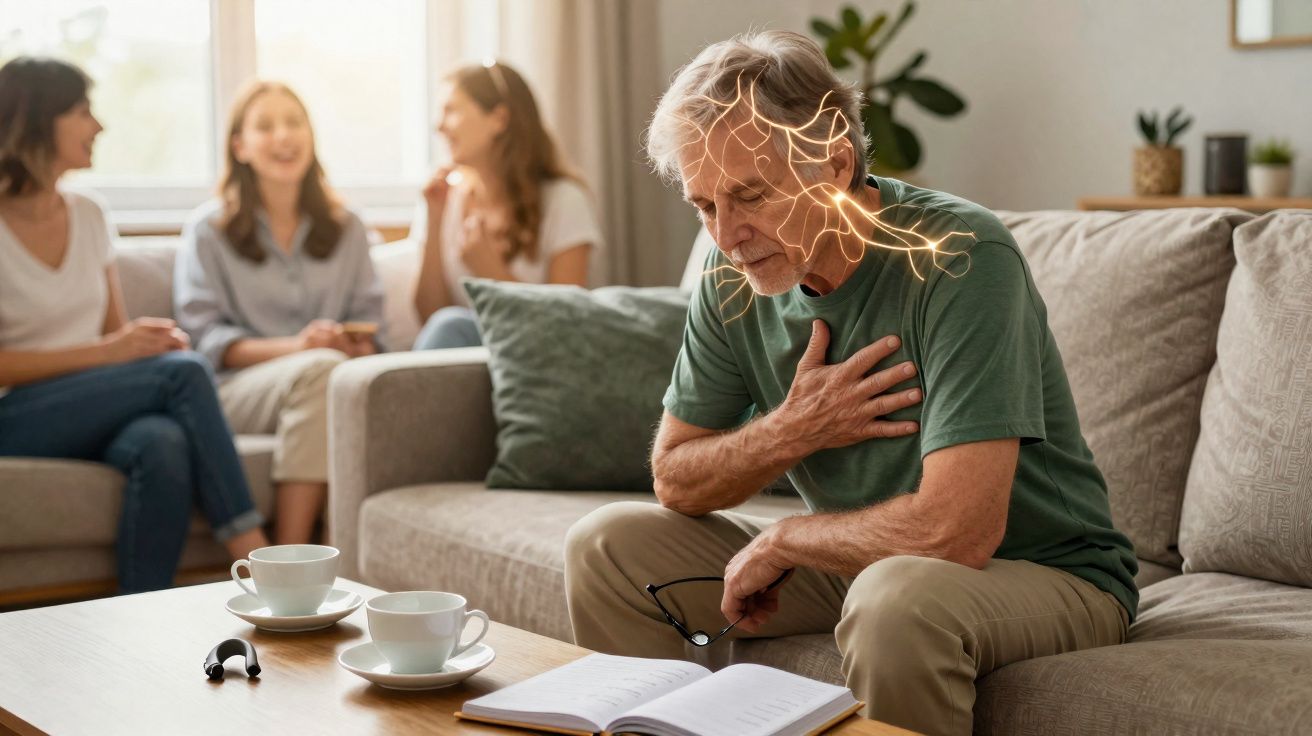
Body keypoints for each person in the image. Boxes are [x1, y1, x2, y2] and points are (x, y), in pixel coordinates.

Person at [563, 31, 1137, 736]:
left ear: (834, 165)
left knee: (895, 598)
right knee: (606, 546)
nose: (727, 235)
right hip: (866, 564)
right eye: (704, 205)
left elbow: (958, 532)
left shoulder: (961, 256)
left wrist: (786, 540)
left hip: (1044, 572)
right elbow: (676, 480)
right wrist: (792, 429)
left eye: (750, 195)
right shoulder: (729, 275)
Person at [0, 57, 269, 593]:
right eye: (83, 112)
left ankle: (138, 615)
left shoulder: (89, 214)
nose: (98, 126)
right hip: (15, 415)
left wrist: (143, 345)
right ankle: (262, 564)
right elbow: (102, 351)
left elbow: (114, 338)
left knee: (162, 442)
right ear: (36, 120)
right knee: (184, 372)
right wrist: (113, 354)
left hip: (87, 404)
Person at [175, 81, 385, 546]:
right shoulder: (209, 230)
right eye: (265, 126)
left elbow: (372, 323)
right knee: (321, 371)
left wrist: (352, 342)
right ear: (240, 146)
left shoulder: (348, 226)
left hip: (326, 379)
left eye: (294, 123)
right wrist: (299, 348)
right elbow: (204, 341)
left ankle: (340, 552)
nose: (284, 136)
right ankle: (291, 558)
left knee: (338, 378)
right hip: (237, 390)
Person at [410, 60, 602, 349]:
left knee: (451, 325)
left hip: (535, 352)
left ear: (498, 119)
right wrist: (435, 221)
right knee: (447, 323)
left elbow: (563, 324)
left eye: (451, 110)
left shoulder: (565, 200)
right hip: (462, 357)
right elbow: (429, 315)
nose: (438, 126)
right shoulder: (442, 199)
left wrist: (489, 269)